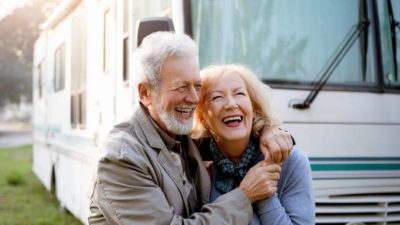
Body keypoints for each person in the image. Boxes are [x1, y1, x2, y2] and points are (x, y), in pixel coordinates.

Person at [88, 32, 293, 225]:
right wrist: (245, 195)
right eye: (180, 87)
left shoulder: (181, 137)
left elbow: (234, 138)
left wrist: (269, 131)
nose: (195, 99)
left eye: (197, 86)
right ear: (145, 93)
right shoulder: (121, 158)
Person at [191, 64, 315, 225]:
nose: (231, 104)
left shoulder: (292, 161)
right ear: (202, 118)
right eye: (217, 97)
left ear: (254, 108)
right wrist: (248, 192)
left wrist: (264, 194)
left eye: (239, 94)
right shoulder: (195, 166)